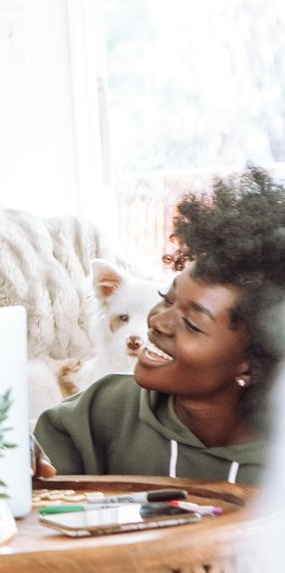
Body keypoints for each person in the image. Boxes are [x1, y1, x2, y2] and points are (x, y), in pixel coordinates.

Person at [34, 166, 285, 484]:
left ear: (251, 366)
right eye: (167, 298)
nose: (157, 321)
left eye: (192, 324)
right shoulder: (105, 407)